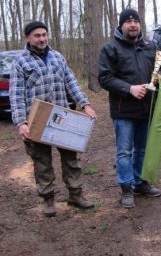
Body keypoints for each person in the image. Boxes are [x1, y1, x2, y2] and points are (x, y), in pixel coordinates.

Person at [10, 21, 97, 217]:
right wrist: (21, 123)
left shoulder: (58, 57)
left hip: (62, 118)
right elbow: (16, 95)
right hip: (36, 121)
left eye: (44, 35)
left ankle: (76, 196)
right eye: (37, 35)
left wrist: (86, 104)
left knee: (71, 160)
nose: (42, 39)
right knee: (42, 162)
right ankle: (48, 199)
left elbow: (71, 83)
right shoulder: (20, 61)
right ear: (28, 38)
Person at [98, 8, 161, 209]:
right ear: (121, 25)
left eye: (136, 21)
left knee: (141, 149)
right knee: (124, 151)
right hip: (123, 110)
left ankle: (139, 182)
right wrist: (129, 89)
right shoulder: (111, 48)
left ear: (140, 25)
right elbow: (104, 78)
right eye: (128, 22)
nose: (132, 25)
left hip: (146, 109)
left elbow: (159, 72)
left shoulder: (151, 47)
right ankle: (126, 188)